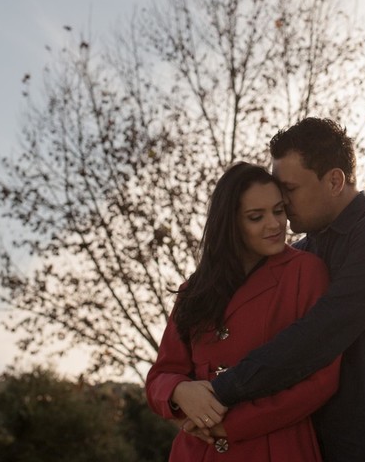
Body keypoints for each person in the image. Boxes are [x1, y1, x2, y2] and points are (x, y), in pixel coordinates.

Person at [198, 118, 365, 461]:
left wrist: (219, 392)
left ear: (334, 180)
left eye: (290, 189)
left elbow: (320, 334)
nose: (281, 203)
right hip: (320, 449)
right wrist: (180, 390)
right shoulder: (298, 254)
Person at [146, 161, 341, 461]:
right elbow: (161, 375)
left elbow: (321, 380)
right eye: (256, 217)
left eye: (278, 210)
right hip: (198, 451)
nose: (275, 224)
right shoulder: (194, 290)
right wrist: (179, 391)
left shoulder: (306, 273)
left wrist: (228, 425)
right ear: (231, 223)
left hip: (276, 448)